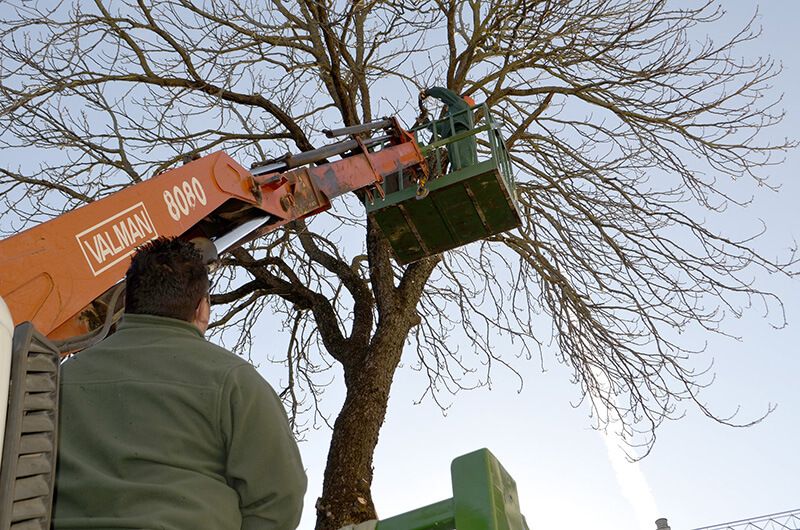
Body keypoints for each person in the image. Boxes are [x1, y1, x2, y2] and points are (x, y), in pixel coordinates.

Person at [53, 237, 307, 530]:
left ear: (128, 302)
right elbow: (280, 499)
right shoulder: (234, 380)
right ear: (202, 308)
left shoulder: (59, 380)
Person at [421, 87, 478, 171]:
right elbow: (441, 127)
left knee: (464, 167)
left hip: (460, 136)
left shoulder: (461, 104)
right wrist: (426, 123)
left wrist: (427, 92)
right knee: (458, 166)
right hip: (454, 138)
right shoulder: (457, 117)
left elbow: (442, 93)